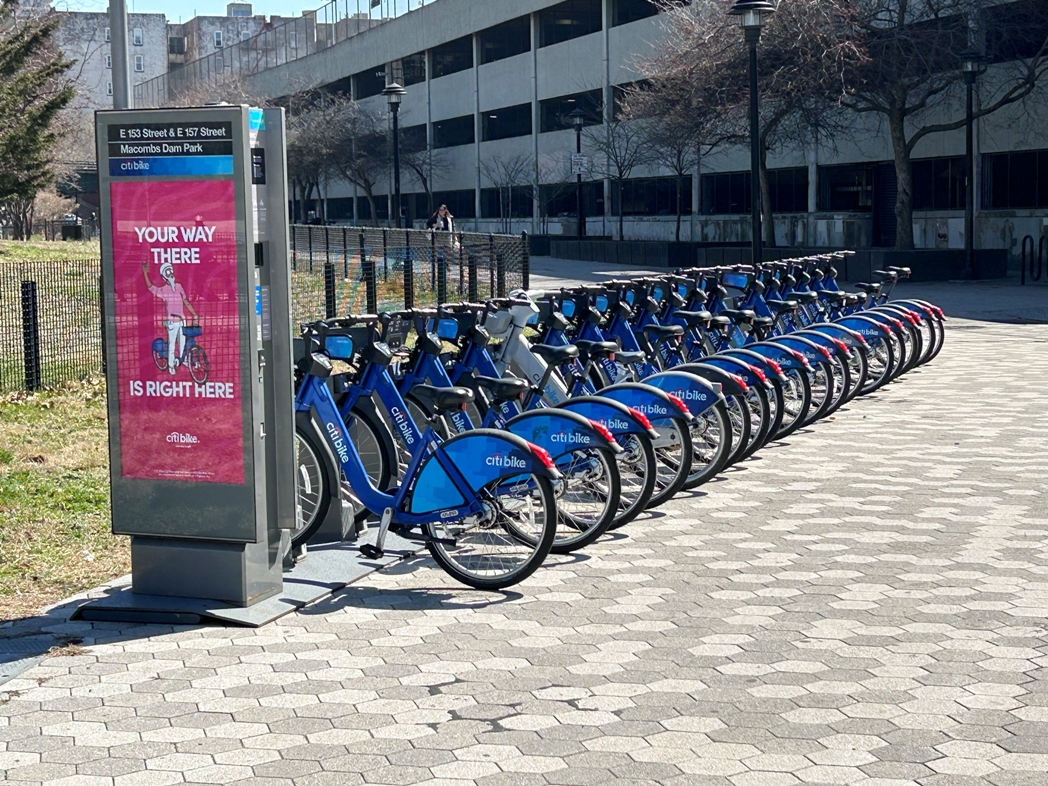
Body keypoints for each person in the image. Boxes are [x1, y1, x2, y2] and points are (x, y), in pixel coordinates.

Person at [143, 262, 198, 375]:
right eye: (167, 272)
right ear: (164, 276)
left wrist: (194, 314)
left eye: (171, 271)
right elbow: (151, 288)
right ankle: (171, 366)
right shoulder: (163, 290)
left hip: (182, 321)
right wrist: (145, 273)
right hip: (172, 322)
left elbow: (185, 301)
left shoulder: (179, 287)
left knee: (183, 343)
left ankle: (184, 360)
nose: (170, 273)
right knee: (172, 344)